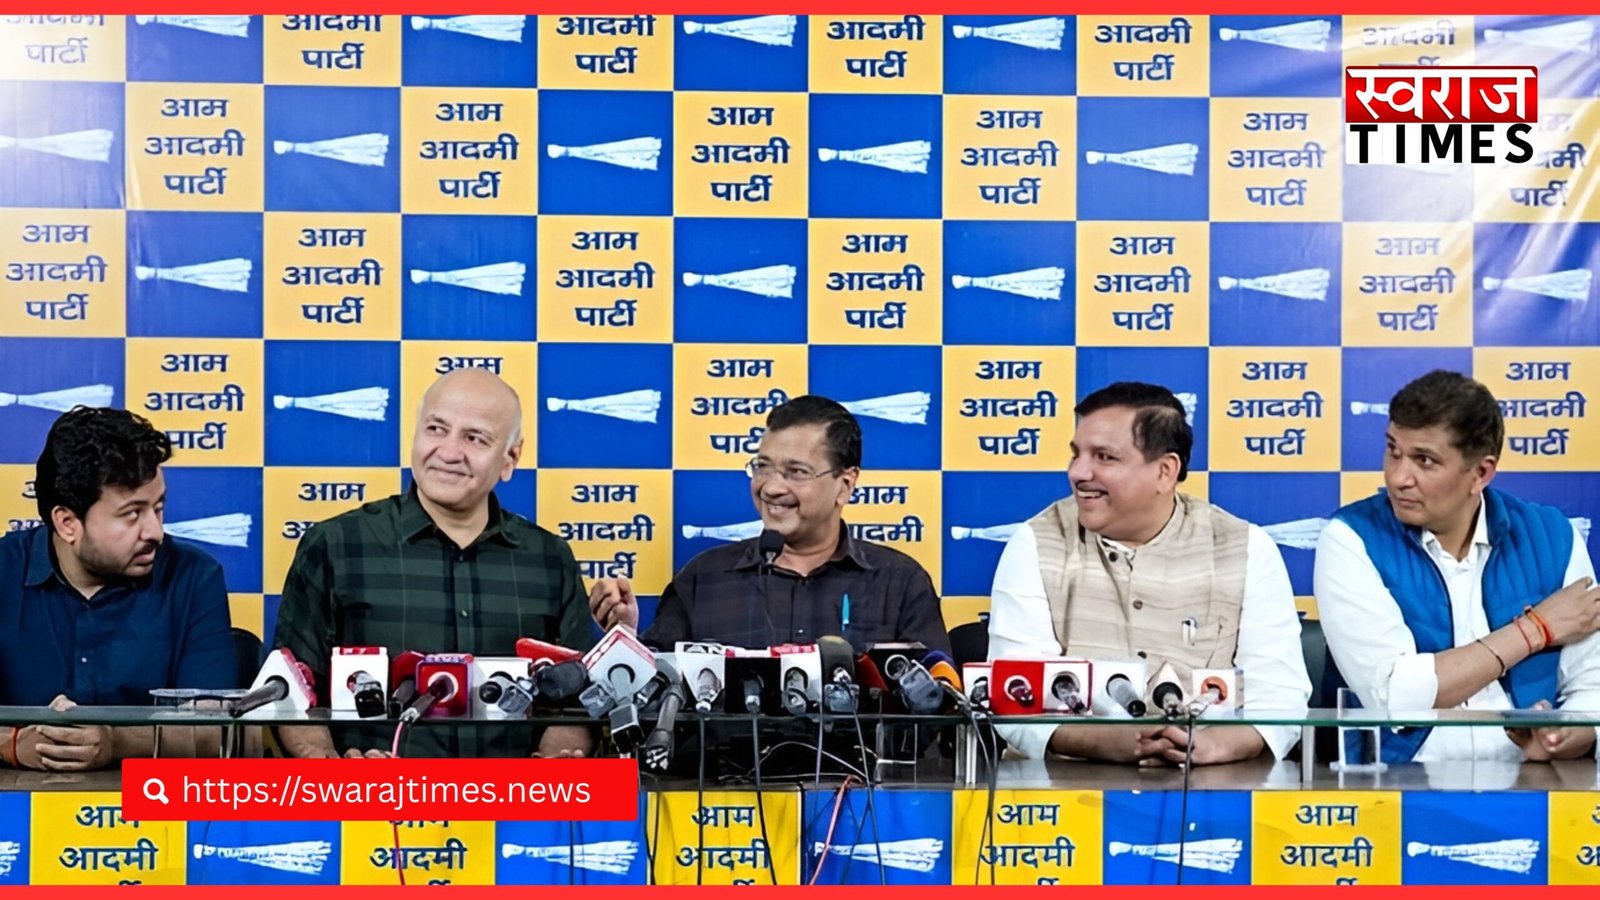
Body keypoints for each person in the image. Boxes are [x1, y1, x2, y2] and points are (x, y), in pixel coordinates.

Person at [274, 368, 594, 759]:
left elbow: (575, 702)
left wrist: (552, 773)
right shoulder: (336, 546)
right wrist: (333, 773)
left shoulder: (549, 559)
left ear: (510, 458)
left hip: (516, 795)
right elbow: (292, 693)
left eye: (474, 438)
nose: (449, 452)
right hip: (377, 794)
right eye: (436, 429)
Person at [987, 382, 1311, 765]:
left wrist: (1214, 746)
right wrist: (1107, 743)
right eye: (1076, 454)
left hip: (1211, 783)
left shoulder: (1245, 548)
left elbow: (1278, 698)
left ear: (1165, 471)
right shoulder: (1035, 543)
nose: (1077, 472)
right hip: (1066, 787)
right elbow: (1013, 698)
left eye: (1104, 457)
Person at [1316, 369, 1600, 762]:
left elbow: (1591, 687)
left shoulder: (1553, 537)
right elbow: (1394, 695)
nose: (1398, 477)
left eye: (1424, 461)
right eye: (1393, 451)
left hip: (1531, 778)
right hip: (1397, 780)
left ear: (1481, 473)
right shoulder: (1350, 538)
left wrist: (1567, 734)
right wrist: (1535, 630)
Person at [588, 395, 951, 656]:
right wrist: (625, 637)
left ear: (845, 484)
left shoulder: (899, 583)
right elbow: (653, 701)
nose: (772, 487)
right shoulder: (703, 579)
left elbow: (936, 712)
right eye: (762, 467)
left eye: (796, 472)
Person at [0, 407, 235, 770]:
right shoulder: (4, 570)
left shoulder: (195, 576)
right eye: (132, 514)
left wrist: (117, 741)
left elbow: (217, 732)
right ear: (67, 523)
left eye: (158, 508)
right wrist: (13, 744)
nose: (155, 532)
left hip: (151, 800)